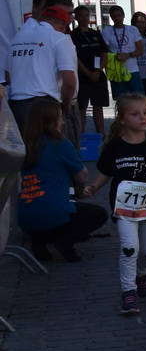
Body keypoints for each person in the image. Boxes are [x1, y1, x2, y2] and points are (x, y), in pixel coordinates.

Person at [84, 92, 146, 314]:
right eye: (135, 114)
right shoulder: (115, 146)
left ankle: (142, 274)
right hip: (123, 206)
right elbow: (105, 171)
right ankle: (128, 292)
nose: (143, 117)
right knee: (129, 248)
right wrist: (94, 186)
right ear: (122, 119)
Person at [18, 97, 104, 261]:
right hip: (53, 213)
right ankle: (64, 241)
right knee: (98, 214)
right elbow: (82, 175)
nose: (63, 123)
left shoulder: (26, 145)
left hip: (25, 217)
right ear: (51, 121)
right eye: (60, 117)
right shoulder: (60, 144)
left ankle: (40, 240)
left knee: (49, 213)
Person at [7, 0, 77, 125]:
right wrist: (66, 106)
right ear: (63, 24)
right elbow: (70, 81)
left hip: (17, 104)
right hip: (46, 105)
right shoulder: (59, 38)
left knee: (25, 144)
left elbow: (8, 73)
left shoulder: (18, 37)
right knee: (51, 144)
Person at [71, 5, 109, 137]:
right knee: (81, 107)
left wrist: (98, 71)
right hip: (82, 76)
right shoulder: (72, 35)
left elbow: (104, 54)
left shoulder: (96, 34)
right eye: (80, 15)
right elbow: (74, 57)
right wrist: (88, 73)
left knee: (98, 106)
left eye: (86, 15)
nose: (84, 18)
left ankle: (101, 135)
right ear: (76, 17)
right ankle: (80, 137)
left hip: (98, 76)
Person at [103, 5, 144, 96]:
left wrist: (128, 55)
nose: (117, 18)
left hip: (132, 70)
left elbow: (140, 50)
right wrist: (115, 55)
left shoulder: (132, 29)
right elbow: (105, 51)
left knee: (139, 97)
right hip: (116, 71)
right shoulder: (107, 31)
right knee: (120, 100)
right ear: (111, 17)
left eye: (119, 15)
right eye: (114, 16)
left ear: (123, 15)